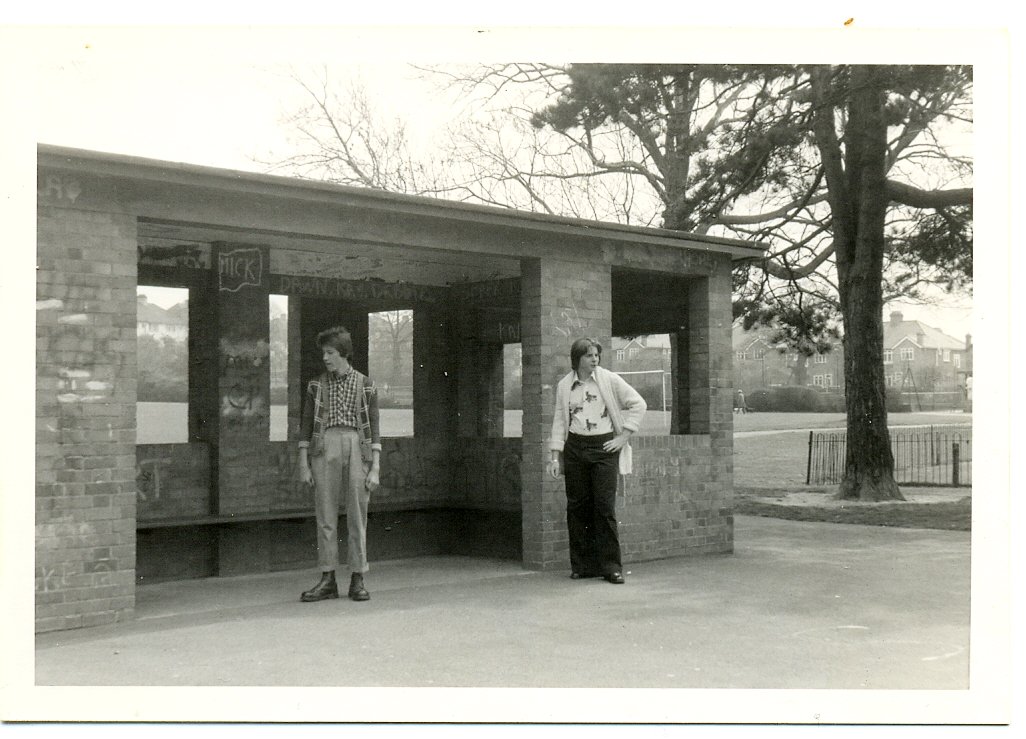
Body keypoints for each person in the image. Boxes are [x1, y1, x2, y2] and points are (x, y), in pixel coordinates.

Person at [548, 337, 646, 584]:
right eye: (589, 355)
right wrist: (554, 457)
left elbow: (638, 404)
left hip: (603, 448)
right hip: (575, 449)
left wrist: (623, 437)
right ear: (577, 359)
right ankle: (583, 566)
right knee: (577, 507)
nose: (594, 359)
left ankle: (611, 567)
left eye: (596, 355)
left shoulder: (609, 379)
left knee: (603, 507)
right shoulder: (564, 385)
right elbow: (560, 421)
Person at [297, 325, 381, 602]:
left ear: (343, 353)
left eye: (330, 352)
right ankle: (328, 579)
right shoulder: (316, 385)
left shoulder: (367, 385)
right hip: (325, 446)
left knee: (358, 514)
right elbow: (306, 426)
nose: (325, 358)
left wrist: (376, 467)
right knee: (326, 515)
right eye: (324, 353)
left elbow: (375, 429)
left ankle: (358, 578)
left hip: (358, 446)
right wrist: (303, 464)